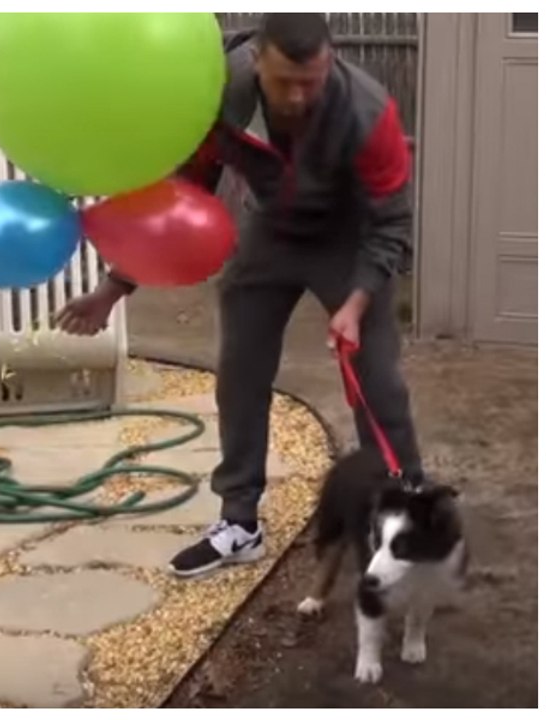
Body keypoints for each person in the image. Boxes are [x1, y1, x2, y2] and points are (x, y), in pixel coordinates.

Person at [54, 14, 423, 578]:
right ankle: (239, 521)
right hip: (269, 232)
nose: (299, 96)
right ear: (257, 62)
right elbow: (180, 195)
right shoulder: (219, 92)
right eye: (285, 82)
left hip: (349, 243)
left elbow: (391, 222)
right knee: (240, 375)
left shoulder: (369, 113)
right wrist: (114, 285)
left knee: (378, 380)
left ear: (331, 62)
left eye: (313, 80)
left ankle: (403, 511)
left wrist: (356, 302)